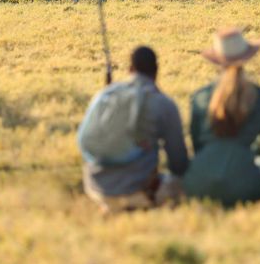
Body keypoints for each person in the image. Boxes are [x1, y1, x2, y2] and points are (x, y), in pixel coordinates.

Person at [78, 46, 189, 214]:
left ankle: (109, 206)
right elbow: (178, 163)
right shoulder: (163, 104)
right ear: (156, 71)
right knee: (186, 186)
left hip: (95, 187)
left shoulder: (106, 94)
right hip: (139, 189)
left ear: (130, 69)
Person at [183, 28, 260, 207]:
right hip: (246, 186)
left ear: (217, 61)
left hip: (200, 184)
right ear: (246, 58)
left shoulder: (200, 96)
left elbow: (196, 146)